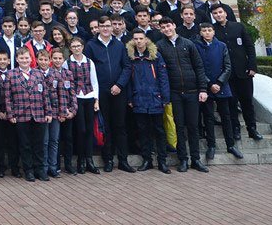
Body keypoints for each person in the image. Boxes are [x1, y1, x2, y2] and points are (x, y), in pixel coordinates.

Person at [157, 19, 209, 172]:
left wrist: (203, 89)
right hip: (174, 93)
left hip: (192, 91)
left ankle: (196, 159)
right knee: (179, 127)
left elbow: (199, 66)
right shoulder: (160, 46)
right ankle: (183, 159)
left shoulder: (188, 44)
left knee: (193, 127)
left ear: (174, 26)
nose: (167, 29)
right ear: (160, 30)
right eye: (163, 27)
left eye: (168, 26)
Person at [84, 16, 133, 172]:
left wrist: (119, 85)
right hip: (101, 91)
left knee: (120, 125)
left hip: (118, 91)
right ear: (98, 27)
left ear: (113, 28)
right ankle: (108, 160)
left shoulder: (119, 45)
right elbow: (88, 69)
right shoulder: (91, 46)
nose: (105, 28)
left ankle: (123, 160)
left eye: (108, 26)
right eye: (102, 26)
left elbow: (126, 67)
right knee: (105, 127)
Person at [118, 30, 171, 173]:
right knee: (143, 131)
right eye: (136, 39)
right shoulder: (130, 57)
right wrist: (130, 97)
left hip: (155, 97)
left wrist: (165, 97)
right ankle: (147, 159)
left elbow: (163, 77)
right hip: (138, 98)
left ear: (146, 40)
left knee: (159, 131)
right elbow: (128, 79)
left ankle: (162, 161)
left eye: (141, 38)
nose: (139, 41)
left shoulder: (155, 56)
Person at [210, 4, 261, 141]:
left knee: (247, 102)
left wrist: (252, 66)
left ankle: (252, 129)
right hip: (226, 75)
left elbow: (249, 47)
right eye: (215, 13)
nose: (218, 15)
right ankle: (236, 129)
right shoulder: (213, 30)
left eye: (220, 12)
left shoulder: (238, 27)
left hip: (243, 71)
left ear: (225, 13)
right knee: (231, 103)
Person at [196, 21, 244, 160]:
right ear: (200, 33)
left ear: (213, 31)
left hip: (222, 86)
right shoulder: (197, 47)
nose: (207, 33)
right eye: (204, 31)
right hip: (206, 87)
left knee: (226, 116)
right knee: (209, 117)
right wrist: (209, 83)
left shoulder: (222, 46)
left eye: (209, 30)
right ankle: (211, 145)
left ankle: (231, 145)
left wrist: (219, 82)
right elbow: (198, 67)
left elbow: (228, 66)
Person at [4, 47, 49, 182]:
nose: (24, 60)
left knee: (39, 144)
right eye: (21, 58)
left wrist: (48, 112)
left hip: (39, 114)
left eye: (27, 58)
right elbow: (7, 97)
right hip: (21, 115)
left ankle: (39, 170)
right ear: (17, 59)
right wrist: (11, 114)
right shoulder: (11, 75)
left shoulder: (39, 74)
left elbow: (45, 94)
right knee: (25, 144)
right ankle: (28, 170)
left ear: (31, 59)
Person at [65, 36, 101, 174]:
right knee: (81, 130)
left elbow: (94, 82)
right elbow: (66, 83)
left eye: (78, 46)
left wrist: (96, 100)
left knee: (90, 129)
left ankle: (89, 160)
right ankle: (81, 160)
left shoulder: (89, 62)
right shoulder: (67, 63)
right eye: (73, 47)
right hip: (76, 98)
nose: (76, 49)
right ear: (70, 48)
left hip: (89, 96)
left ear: (82, 47)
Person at [43, 47, 74, 177]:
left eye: (59, 58)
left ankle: (53, 167)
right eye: (54, 58)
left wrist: (65, 111)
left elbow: (63, 94)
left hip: (57, 112)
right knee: (44, 141)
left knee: (54, 140)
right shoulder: (40, 73)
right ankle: (44, 168)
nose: (57, 60)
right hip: (44, 113)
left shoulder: (64, 74)